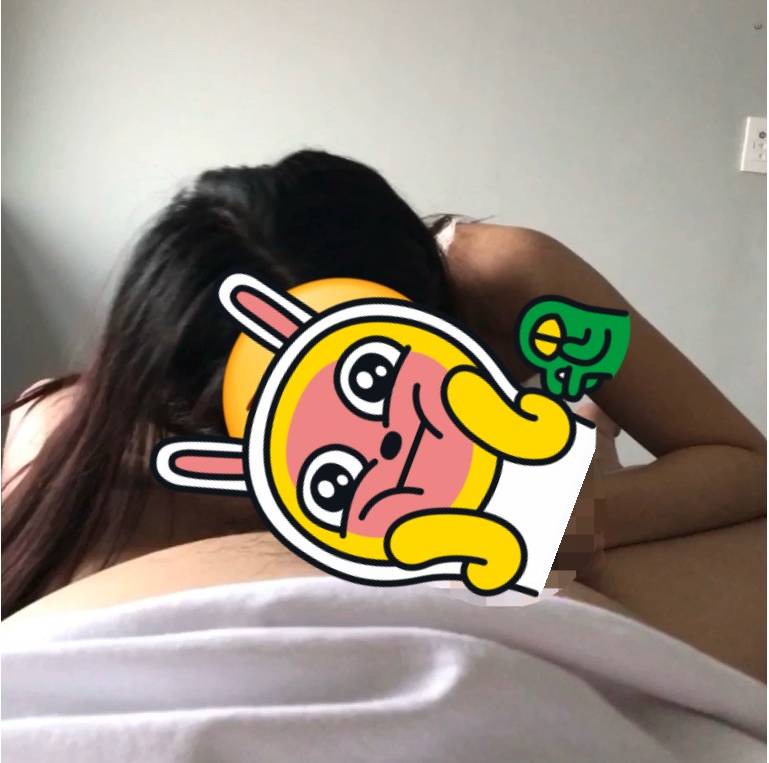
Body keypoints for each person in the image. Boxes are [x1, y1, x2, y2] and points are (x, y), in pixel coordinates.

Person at [2, 150, 765, 679]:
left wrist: (550, 514)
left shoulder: (507, 279)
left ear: (438, 318)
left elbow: (743, 462)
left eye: (371, 381)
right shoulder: (80, 439)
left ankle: (582, 423)